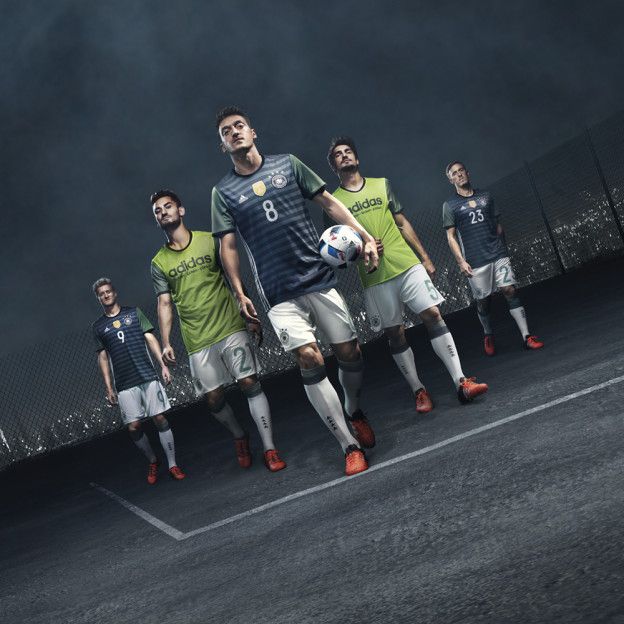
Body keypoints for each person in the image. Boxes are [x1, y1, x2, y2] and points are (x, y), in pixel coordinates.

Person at [211, 106, 380, 476]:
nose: (235, 132)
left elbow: (330, 203)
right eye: (227, 131)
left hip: (317, 277)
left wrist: (365, 236)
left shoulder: (287, 164)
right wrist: (240, 292)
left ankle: (353, 409)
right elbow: (228, 247)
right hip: (277, 292)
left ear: (253, 132)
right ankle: (348, 445)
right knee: (309, 358)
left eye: (239, 126)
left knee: (350, 353)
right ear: (223, 145)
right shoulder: (222, 192)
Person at [327, 137, 488, 411]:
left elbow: (401, 222)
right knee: (396, 334)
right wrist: (360, 251)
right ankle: (419, 390)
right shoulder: (333, 202)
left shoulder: (382, 184)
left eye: (348, 151)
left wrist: (424, 257)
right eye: (338, 155)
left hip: (406, 264)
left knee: (434, 315)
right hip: (375, 276)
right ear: (333, 166)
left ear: (357, 157)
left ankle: (461, 381)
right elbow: (337, 251)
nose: (344, 156)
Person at [150, 189, 286, 472]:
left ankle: (270, 448)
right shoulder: (158, 262)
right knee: (214, 400)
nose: (163, 212)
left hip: (230, 326)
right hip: (197, 339)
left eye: (167, 206)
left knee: (249, 382)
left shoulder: (209, 241)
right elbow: (164, 303)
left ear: (181, 210)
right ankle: (239, 435)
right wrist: (165, 343)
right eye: (157, 211)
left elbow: (233, 278)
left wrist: (248, 313)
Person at [92, 278, 186, 485]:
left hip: (147, 375)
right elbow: (103, 358)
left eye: (108, 291)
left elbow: (150, 338)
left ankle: (172, 464)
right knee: (134, 427)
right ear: (99, 299)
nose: (106, 295)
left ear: (115, 293)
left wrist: (162, 365)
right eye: (102, 294)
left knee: (159, 418)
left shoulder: (134, 313)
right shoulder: (98, 326)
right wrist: (108, 387)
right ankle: (153, 460)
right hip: (124, 383)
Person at [444, 162, 544, 355]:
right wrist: (461, 261)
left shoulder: (486, 196)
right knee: (484, 301)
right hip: (475, 260)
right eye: (454, 174)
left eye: (461, 171)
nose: (459, 175)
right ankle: (488, 333)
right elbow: (450, 236)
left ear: (467, 172)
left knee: (509, 290)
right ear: (451, 180)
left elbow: (498, 225)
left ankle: (526, 336)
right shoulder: (450, 205)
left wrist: (503, 250)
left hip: (497, 254)